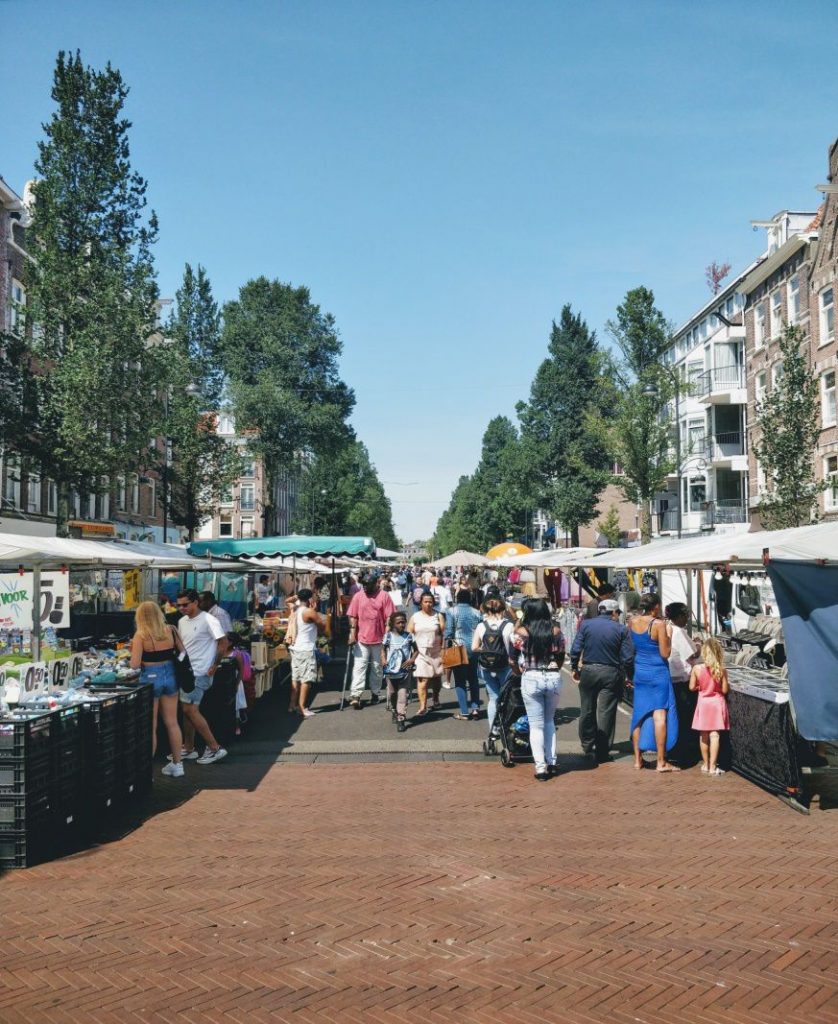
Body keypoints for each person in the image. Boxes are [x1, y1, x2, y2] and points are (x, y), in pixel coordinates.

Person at [570, 598, 635, 764]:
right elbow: (628, 658)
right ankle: (602, 750)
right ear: (613, 612)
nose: (618, 615)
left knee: (587, 708)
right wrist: (629, 675)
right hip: (611, 672)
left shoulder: (586, 625)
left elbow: (575, 649)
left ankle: (586, 743)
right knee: (606, 712)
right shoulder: (621, 629)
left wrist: (574, 668)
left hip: (589, 670)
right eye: (618, 612)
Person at [512, 599, 566, 781]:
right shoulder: (556, 631)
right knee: (549, 721)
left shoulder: (522, 633)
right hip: (552, 676)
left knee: (536, 726)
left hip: (531, 676)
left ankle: (540, 767)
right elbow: (560, 654)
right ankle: (552, 762)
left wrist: (520, 619)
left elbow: (513, 654)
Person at [130, 601, 185, 777]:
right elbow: (183, 653)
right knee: (172, 722)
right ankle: (178, 765)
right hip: (171, 675)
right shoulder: (171, 630)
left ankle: (147, 771)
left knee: (150, 725)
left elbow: (135, 664)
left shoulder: (141, 635)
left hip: (150, 678)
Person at [176, 589, 228, 764]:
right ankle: (189, 748)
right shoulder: (182, 621)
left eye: (185, 604)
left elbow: (223, 642)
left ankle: (214, 748)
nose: (181, 608)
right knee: (187, 710)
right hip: (187, 671)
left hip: (201, 671)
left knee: (190, 710)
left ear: (195, 602)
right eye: (179, 605)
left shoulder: (209, 619)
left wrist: (214, 665)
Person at [629, 593, 679, 772]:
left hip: (640, 670)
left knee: (639, 715)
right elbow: (665, 653)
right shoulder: (659, 624)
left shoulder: (632, 621)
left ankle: (637, 760)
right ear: (656, 606)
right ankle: (661, 762)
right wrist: (670, 636)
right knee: (660, 716)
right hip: (658, 672)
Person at [347, 571, 395, 709]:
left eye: (368, 585)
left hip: (379, 639)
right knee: (359, 667)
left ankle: (375, 692)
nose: (365, 587)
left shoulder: (384, 596)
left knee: (377, 668)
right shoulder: (358, 596)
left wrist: (387, 636)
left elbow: (389, 618)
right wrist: (351, 634)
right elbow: (353, 616)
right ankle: (355, 695)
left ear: (376, 584)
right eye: (364, 585)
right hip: (362, 638)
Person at [472, 595, 516, 741]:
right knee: (507, 697)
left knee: (493, 698)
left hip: (486, 667)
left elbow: (474, 647)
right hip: (505, 667)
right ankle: (506, 727)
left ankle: (493, 730)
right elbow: (512, 648)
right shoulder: (508, 626)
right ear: (503, 609)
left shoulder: (481, 626)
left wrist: (485, 649)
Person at [689, 637, 730, 776]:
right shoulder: (722, 669)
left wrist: (701, 686)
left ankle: (706, 764)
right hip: (717, 704)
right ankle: (713, 766)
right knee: (715, 735)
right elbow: (724, 690)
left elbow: (691, 687)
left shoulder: (696, 668)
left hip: (703, 703)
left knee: (703, 735)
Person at [666, 602, 700, 763]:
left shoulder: (666, 628)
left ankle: (674, 749)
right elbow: (691, 655)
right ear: (679, 616)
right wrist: (698, 645)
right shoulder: (679, 632)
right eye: (685, 616)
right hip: (681, 679)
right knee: (684, 716)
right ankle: (683, 751)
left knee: (674, 715)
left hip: (670, 677)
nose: (687, 619)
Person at [446, 589, 482, 720]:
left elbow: (449, 631)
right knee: (473, 679)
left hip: (458, 647)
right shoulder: (477, 612)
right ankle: (476, 709)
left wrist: (446, 647)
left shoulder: (451, 611)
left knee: (460, 681)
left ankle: (464, 711)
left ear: (457, 598)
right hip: (474, 648)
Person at [407, 591, 445, 716]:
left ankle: (435, 698)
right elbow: (409, 633)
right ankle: (423, 706)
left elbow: (444, 634)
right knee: (422, 680)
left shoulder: (438, 615)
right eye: (426, 602)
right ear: (421, 603)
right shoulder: (415, 616)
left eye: (430, 602)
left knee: (436, 679)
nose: (428, 604)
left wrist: (443, 650)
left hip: (436, 652)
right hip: (420, 653)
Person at [289, 587, 326, 717]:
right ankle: (302, 707)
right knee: (306, 679)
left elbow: (288, 600)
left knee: (296, 678)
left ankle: (292, 705)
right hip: (306, 649)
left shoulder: (296, 609)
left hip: (295, 648)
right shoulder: (309, 611)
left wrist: (296, 597)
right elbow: (322, 625)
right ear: (310, 598)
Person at [381, 611, 416, 732]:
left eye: (403, 622)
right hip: (391, 671)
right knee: (392, 693)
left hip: (405, 671)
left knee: (403, 695)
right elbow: (383, 649)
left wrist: (411, 660)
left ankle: (401, 718)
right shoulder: (388, 636)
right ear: (393, 624)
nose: (402, 624)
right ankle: (394, 710)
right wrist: (383, 659)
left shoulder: (409, 636)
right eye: (399, 622)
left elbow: (416, 650)